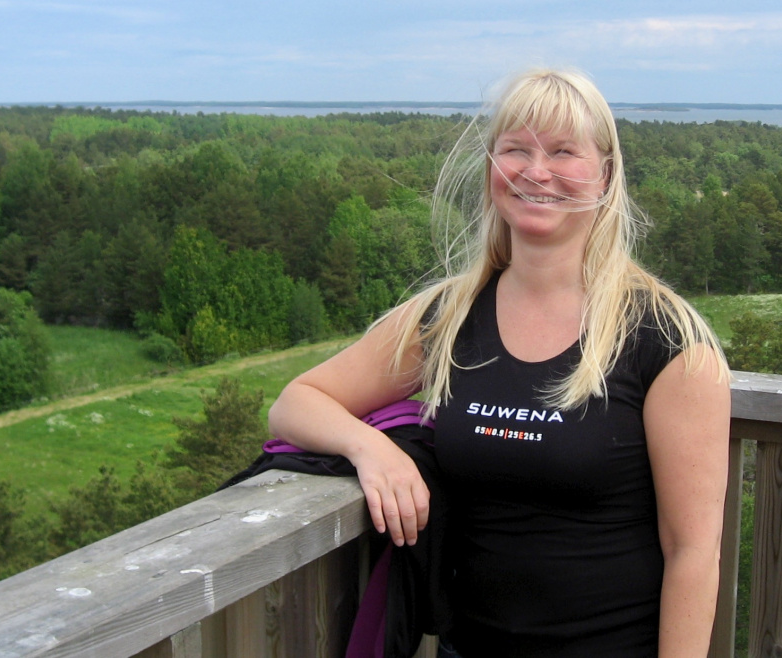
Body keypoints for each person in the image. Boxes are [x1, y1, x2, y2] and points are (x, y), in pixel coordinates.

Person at [268, 69, 732, 657]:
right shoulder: (447, 318)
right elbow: (295, 404)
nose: (536, 172)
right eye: (516, 149)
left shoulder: (664, 338)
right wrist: (370, 449)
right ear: (492, 168)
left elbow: (692, 550)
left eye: (564, 152)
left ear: (606, 175)